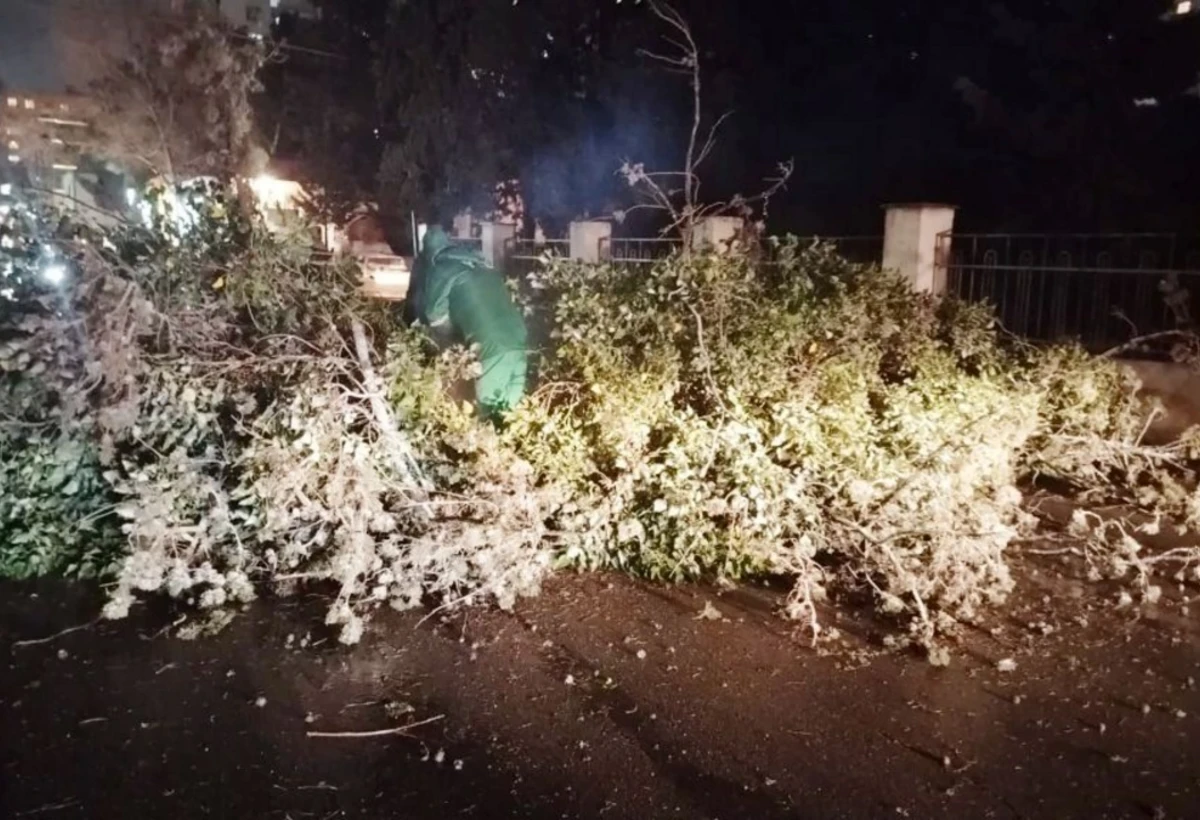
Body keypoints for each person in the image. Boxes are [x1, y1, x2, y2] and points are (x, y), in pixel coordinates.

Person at [405, 225, 529, 421]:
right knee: (511, 417)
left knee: (488, 420)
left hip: (491, 347)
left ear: (429, 253)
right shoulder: (481, 263)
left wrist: (450, 344)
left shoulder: (441, 267)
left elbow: (434, 315)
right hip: (519, 342)